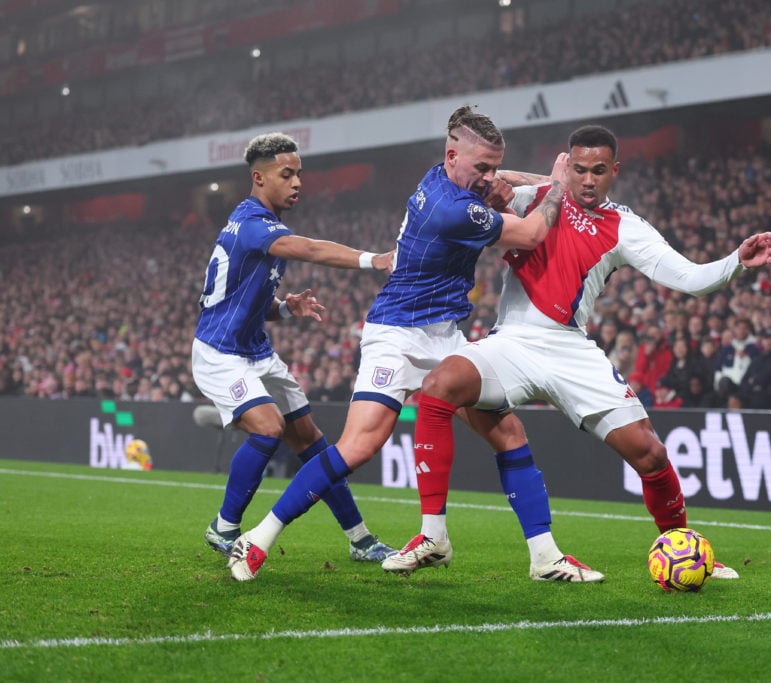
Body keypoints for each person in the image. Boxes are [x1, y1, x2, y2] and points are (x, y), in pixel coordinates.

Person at [383, 124, 771, 581]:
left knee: (649, 454)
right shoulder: (534, 198)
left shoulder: (625, 226)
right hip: (512, 341)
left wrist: (735, 262)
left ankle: (683, 546)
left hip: (571, 348)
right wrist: (541, 181)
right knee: (438, 387)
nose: (587, 180)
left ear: (614, 171)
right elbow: (483, 181)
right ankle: (433, 534)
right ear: (565, 165)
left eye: (598, 171)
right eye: (578, 170)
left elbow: (688, 279)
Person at [227, 107, 602, 583]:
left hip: (445, 337)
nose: (488, 176)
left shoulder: (445, 176)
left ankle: (544, 557)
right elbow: (530, 235)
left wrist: (550, 179)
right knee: (360, 446)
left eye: (491, 166)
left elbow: (505, 176)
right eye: (481, 168)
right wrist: (561, 188)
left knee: (509, 435)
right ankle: (257, 538)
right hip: (398, 333)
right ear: (452, 156)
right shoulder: (453, 209)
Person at [194, 132, 396, 563]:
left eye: (299, 174)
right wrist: (372, 259)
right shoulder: (254, 223)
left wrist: (285, 309)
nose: (297, 182)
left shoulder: (260, 225)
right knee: (269, 429)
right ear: (259, 178)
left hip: (255, 350)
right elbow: (310, 249)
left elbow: (243, 301)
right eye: (287, 175)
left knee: (312, 441)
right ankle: (223, 527)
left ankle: (360, 539)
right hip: (220, 352)